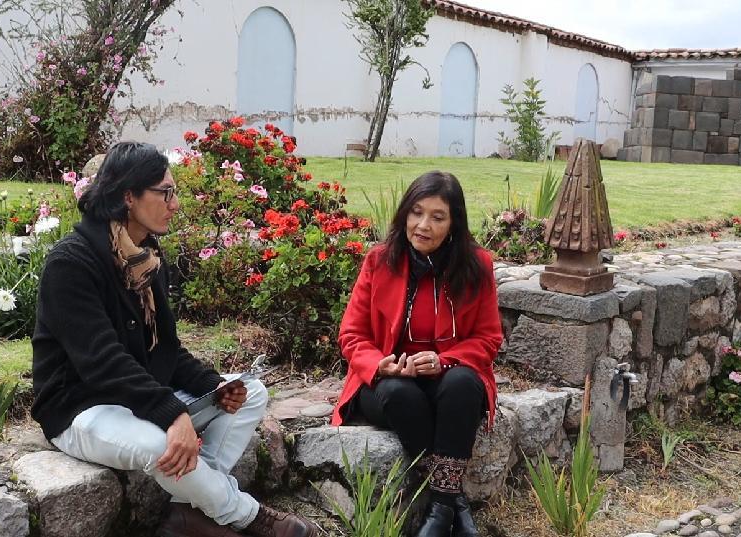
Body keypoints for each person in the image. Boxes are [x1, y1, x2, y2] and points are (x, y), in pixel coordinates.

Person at [31, 141, 320, 537]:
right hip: (81, 408)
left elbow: (166, 351)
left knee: (250, 393)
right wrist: (172, 413)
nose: (175, 203)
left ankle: (187, 511)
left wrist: (214, 387)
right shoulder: (71, 263)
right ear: (128, 196)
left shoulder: (146, 260)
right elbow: (102, 362)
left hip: (134, 399)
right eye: (165, 192)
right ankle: (249, 516)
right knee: (156, 444)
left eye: (174, 192)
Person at [332, 171, 502, 537]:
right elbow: (351, 334)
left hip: (446, 377)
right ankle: (454, 502)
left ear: (454, 222)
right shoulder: (379, 261)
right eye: (416, 212)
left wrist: (445, 360)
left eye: (437, 217)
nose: (423, 225)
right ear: (404, 214)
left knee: (461, 385)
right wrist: (380, 364)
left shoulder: (477, 266)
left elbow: (488, 338)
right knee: (399, 393)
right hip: (388, 381)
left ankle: (440, 509)